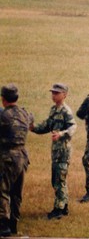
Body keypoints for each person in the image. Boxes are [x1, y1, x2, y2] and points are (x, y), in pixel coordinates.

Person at [30, 83, 76, 220]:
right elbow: (46, 126)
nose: (53, 95)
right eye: (53, 93)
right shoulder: (53, 110)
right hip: (56, 152)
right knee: (56, 179)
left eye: (56, 93)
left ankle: (59, 210)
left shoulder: (66, 111)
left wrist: (61, 134)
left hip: (63, 152)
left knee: (59, 180)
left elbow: (73, 127)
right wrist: (33, 128)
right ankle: (64, 206)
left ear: (64, 94)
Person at [0, 84, 33, 236]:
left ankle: (3, 225)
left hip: (6, 157)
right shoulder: (25, 113)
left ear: (3, 99)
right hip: (22, 155)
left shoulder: (2, 115)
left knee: (3, 190)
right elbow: (31, 123)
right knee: (16, 192)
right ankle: (14, 223)